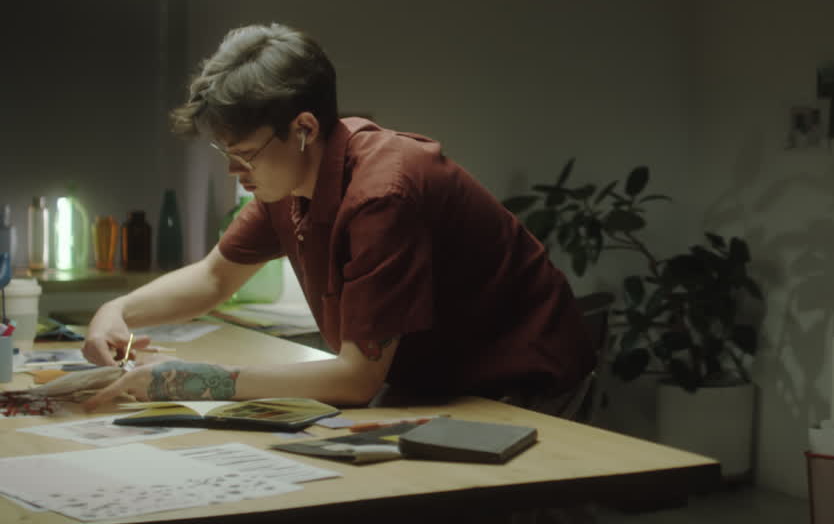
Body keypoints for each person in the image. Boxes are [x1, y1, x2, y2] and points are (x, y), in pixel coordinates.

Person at [82, 23, 596, 417]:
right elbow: (217, 275)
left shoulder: (382, 194)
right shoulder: (286, 182)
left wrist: (195, 381)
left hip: (521, 378)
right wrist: (119, 309)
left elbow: (356, 380)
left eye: (246, 154)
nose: (234, 170)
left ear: (303, 128)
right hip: (437, 378)